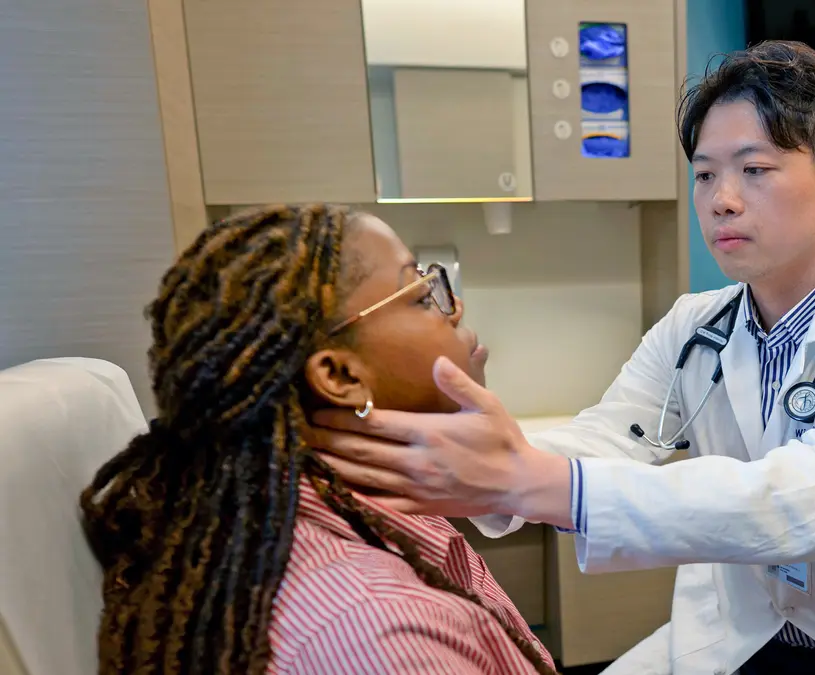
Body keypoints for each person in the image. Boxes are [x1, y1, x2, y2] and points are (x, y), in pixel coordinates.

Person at [309, 41, 815, 675]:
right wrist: (495, 464)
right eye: (705, 174)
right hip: (735, 638)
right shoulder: (695, 326)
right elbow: (609, 438)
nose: (721, 200)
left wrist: (538, 482)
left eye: (754, 169)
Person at [79, 204, 558, 675]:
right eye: (419, 294)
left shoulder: (375, 515)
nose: (454, 310)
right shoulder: (378, 628)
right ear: (339, 375)